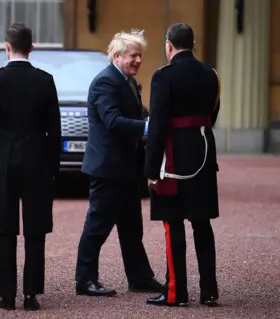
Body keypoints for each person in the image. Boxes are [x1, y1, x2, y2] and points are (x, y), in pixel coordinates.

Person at [0, 23, 61, 311]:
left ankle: (7, 295)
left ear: (7, 47)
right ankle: (31, 295)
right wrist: (53, 167)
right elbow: (55, 130)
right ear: (31, 48)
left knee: (5, 228)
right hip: (36, 156)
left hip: (4, 156)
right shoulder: (45, 80)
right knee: (35, 228)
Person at [74, 30, 162, 297]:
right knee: (97, 226)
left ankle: (140, 278)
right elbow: (112, 122)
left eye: (140, 56)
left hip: (125, 168)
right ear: (117, 55)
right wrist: (149, 127)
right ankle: (85, 280)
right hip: (107, 169)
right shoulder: (105, 82)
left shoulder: (128, 82)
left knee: (131, 227)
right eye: (133, 55)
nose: (138, 60)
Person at [144, 23, 220, 307]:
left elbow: (158, 125)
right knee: (202, 223)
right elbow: (214, 113)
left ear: (169, 45)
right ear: (194, 44)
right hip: (203, 152)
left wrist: (151, 169)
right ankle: (209, 291)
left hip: (173, 156)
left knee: (173, 222)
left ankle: (176, 292)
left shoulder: (163, 77)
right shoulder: (211, 74)